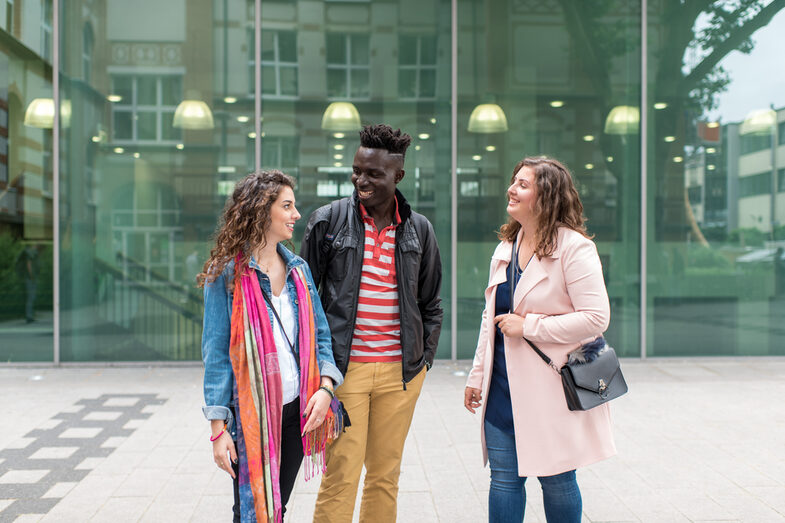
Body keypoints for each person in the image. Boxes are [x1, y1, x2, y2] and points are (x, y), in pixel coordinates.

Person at [301, 124, 443, 523]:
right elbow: (305, 303)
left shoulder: (420, 230)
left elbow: (431, 302)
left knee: (385, 475)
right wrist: (320, 370)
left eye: (373, 174)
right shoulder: (327, 223)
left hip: (401, 375)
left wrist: (423, 361)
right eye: (357, 170)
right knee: (341, 474)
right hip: (345, 373)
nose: (361, 180)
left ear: (398, 176)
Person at [464, 157, 615, 523]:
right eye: (513, 181)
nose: (511, 189)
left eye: (523, 184)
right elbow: (491, 319)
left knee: (558, 480)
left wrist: (530, 326)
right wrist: (475, 374)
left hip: (550, 389)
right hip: (501, 388)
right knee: (503, 480)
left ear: (546, 196)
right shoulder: (506, 246)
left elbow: (596, 318)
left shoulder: (574, 248)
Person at [199, 170, 345, 523]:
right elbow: (216, 354)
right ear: (262, 211)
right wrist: (218, 429)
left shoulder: (299, 270)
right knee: (251, 511)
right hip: (252, 416)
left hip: (298, 412)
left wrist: (326, 388)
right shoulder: (226, 275)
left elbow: (321, 336)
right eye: (287, 206)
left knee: (276, 508)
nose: (296, 214)